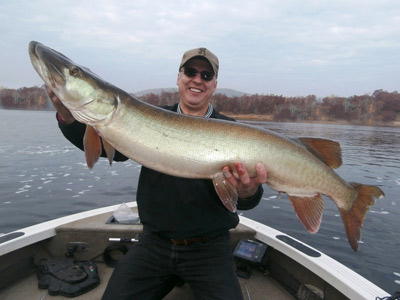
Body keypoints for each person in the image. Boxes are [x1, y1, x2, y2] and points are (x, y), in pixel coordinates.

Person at [47, 47, 268, 300]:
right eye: (190, 71)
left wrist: (248, 191)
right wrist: (67, 116)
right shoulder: (148, 115)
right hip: (155, 245)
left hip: (210, 250)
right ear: (179, 77)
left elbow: (249, 200)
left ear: (214, 85)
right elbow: (115, 153)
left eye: (206, 75)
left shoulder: (232, 131)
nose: (197, 79)